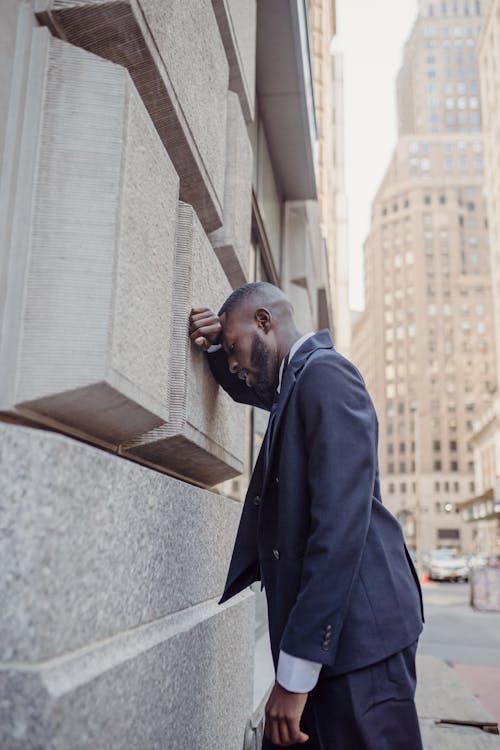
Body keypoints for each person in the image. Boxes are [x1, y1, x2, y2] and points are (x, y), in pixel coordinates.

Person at [189, 282, 424, 749]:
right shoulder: (297, 383)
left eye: (236, 348)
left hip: (360, 646)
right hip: (336, 643)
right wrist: (218, 345)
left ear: (264, 322)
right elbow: (247, 387)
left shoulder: (327, 375)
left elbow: (338, 530)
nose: (235, 366)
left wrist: (294, 675)